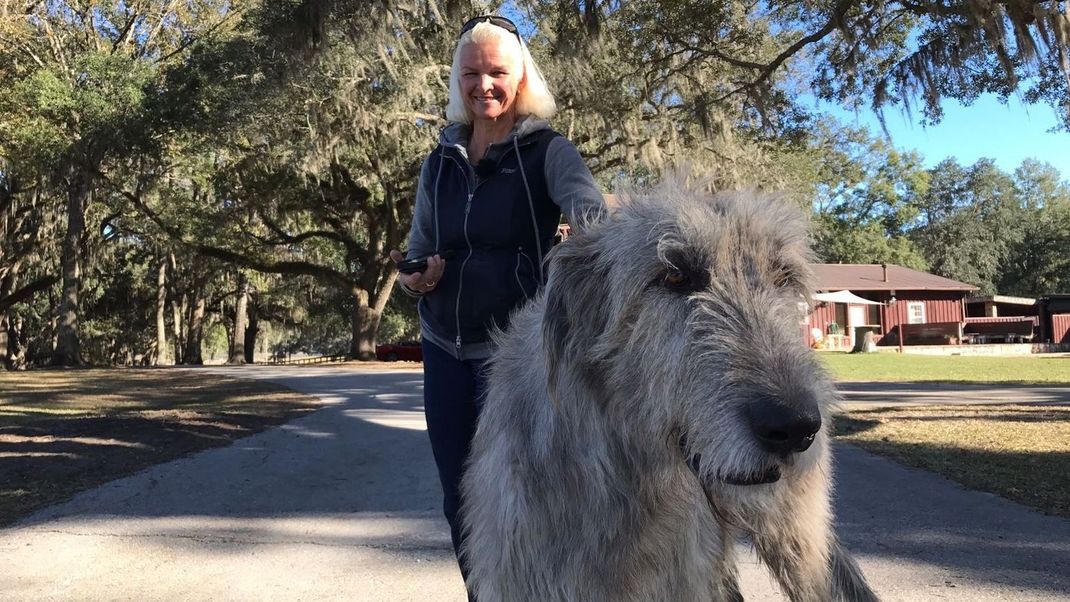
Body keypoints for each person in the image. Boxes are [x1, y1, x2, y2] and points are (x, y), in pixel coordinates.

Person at [388, 14, 605, 593]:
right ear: (457, 80)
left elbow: (594, 220)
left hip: (517, 354)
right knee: (459, 499)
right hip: (444, 348)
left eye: (497, 72)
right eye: (472, 73)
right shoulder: (439, 162)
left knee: (528, 489)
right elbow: (420, 247)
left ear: (521, 78)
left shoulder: (549, 152)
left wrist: (596, 246)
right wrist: (417, 277)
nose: (484, 85)